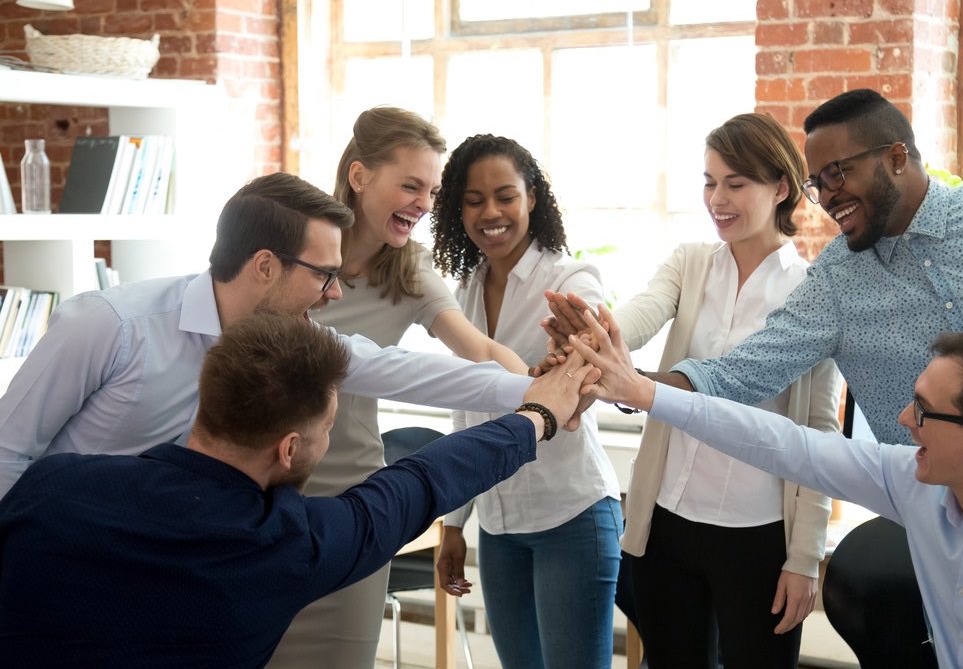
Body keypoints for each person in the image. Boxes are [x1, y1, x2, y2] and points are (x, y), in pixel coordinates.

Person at [548, 88, 963, 534]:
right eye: (818, 182)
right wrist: (630, 384)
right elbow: (738, 375)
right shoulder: (836, 281)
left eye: (839, 173)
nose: (827, 198)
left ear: (896, 156)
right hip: (950, 539)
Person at [574, 310, 963, 668]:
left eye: (924, 410)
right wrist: (646, 392)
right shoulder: (918, 484)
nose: (905, 421)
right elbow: (785, 444)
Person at [0, 313, 594, 667]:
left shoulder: (52, 484)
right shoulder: (281, 547)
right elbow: (418, 482)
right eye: (327, 430)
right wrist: (537, 417)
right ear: (289, 448)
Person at [0, 171, 536, 501]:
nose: (334, 295)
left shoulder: (287, 340)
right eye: (324, 275)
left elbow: (403, 371)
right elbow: (7, 453)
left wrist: (535, 393)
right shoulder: (107, 325)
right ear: (264, 266)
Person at [269, 108, 530, 668]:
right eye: (410, 185)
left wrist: (541, 389)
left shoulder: (408, 267)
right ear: (360, 176)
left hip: (353, 502)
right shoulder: (294, 242)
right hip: (266, 490)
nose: (424, 204)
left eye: (432, 190)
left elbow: (479, 349)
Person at [608, 113, 839, 668]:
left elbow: (821, 432)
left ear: (780, 187)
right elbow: (636, 318)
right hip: (668, 520)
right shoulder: (689, 264)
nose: (718, 198)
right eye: (710, 182)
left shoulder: (813, 290)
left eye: (736, 183)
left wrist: (805, 557)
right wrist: (598, 332)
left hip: (758, 534)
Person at [430, 134, 622, 669]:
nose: (490, 212)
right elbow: (465, 413)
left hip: (572, 516)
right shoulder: (462, 292)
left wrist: (576, 352)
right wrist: (453, 525)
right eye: (473, 200)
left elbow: (590, 333)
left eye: (505, 195)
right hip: (498, 524)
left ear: (531, 198)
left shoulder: (567, 278)